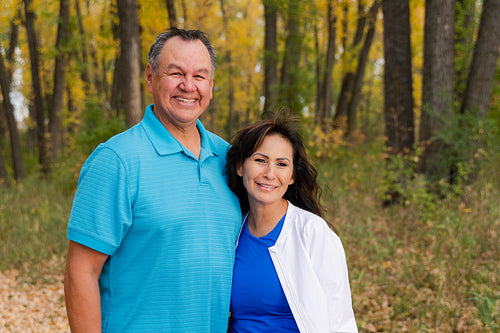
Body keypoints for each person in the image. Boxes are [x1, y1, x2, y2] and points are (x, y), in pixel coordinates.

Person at [64, 28, 242, 332]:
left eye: (199, 76)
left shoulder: (229, 160)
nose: (188, 86)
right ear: (150, 77)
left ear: (211, 86)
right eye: (175, 73)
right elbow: (81, 271)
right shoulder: (117, 160)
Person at [225, 116, 358, 333]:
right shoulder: (231, 232)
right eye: (260, 160)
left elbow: (339, 320)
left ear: (292, 175)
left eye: (281, 164)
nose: (269, 173)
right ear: (240, 166)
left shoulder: (312, 232)